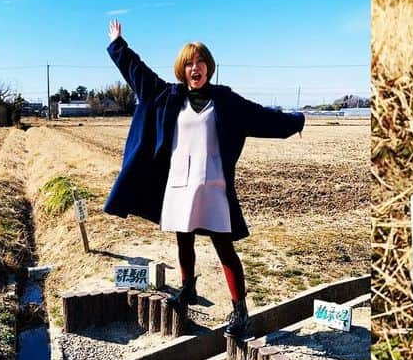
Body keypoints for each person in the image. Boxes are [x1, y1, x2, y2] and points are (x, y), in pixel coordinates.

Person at [103, 19, 305, 336]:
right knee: (183, 241)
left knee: (224, 247)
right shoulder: (168, 96)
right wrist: (118, 44)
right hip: (179, 183)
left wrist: (296, 120)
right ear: (181, 70)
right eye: (188, 64)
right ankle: (187, 289)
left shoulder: (225, 100)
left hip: (213, 184)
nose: (195, 68)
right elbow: (137, 74)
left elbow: (262, 117)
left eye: (200, 62)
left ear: (209, 67)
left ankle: (240, 311)